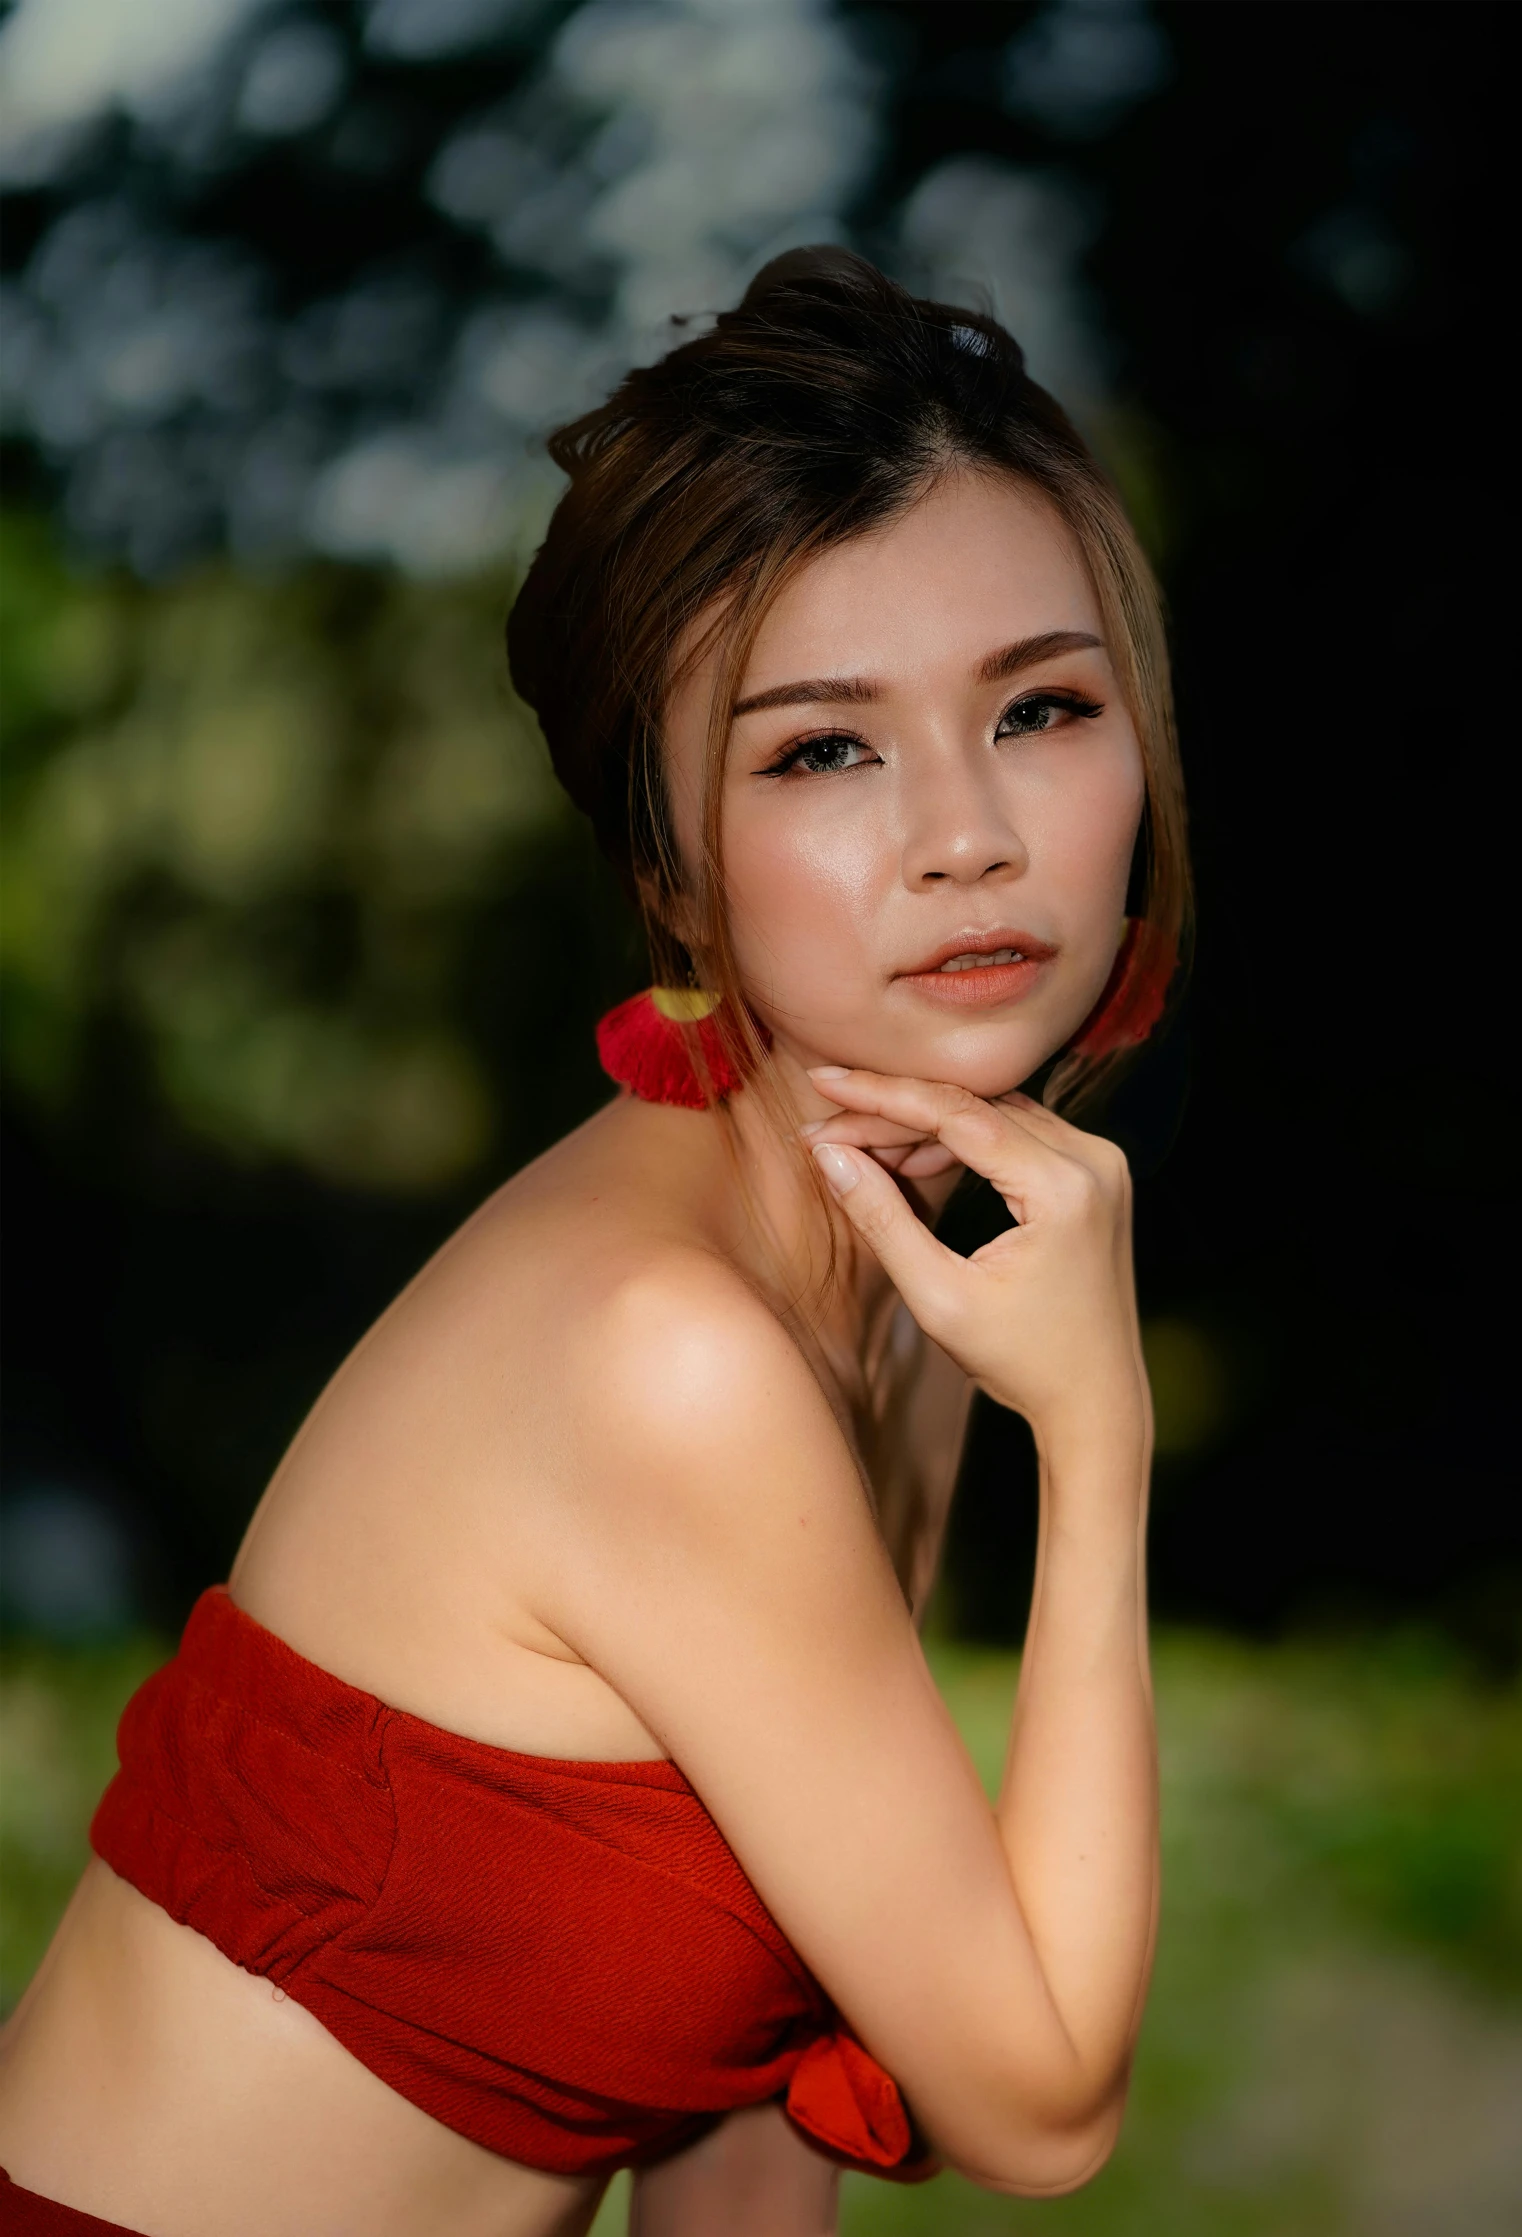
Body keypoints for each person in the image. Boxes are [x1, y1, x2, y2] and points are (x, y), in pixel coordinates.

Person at [0, 248, 1188, 2237]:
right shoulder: (667, 1346)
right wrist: (1099, 1427)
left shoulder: (880, 1254)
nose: (966, 833)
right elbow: (1041, 2095)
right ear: (667, 859)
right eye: (824, 746)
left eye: (1041, 707)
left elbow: (746, 2101)